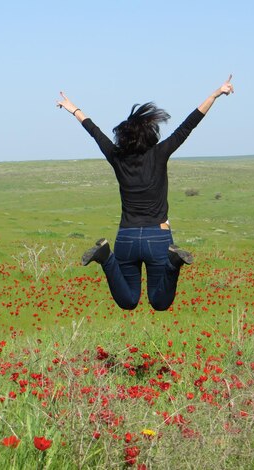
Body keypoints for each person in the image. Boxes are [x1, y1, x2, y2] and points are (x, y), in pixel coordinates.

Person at [56, 76, 234, 311]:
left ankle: (105, 257)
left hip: (127, 237)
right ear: (150, 134)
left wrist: (73, 109)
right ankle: (173, 263)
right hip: (158, 237)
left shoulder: (117, 157)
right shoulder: (159, 153)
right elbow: (188, 125)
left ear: (123, 136)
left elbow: (95, 132)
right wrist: (215, 94)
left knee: (128, 301)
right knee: (159, 302)